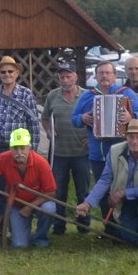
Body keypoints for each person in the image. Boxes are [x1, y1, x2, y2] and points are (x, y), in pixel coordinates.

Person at [76, 119, 138, 249]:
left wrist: (123, 192)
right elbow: (105, 179)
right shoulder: (114, 151)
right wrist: (87, 203)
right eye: (131, 137)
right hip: (124, 200)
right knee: (127, 236)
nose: (134, 141)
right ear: (126, 137)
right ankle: (134, 236)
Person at [0, 128, 58, 249]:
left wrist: (30, 207)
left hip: (39, 203)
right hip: (17, 205)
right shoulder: (4, 158)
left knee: (49, 208)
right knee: (19, 245)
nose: (19, 152)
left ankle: (41, 238)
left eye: (22, 148)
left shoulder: (41, 163)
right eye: (15, 148)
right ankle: (22, 235)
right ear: (10, 148)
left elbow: (51, 192)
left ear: (29, 147)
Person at [73, 61, 138, 183]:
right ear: (96, 76)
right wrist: (82, 118)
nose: (104, 76)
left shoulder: (126, 92)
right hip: (97, 153)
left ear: (114, 76)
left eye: (108, 73)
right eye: (101, 73)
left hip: (122, 151)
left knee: (122, 187)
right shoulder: (88, 95)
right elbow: (74, 119)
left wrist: (130, 117)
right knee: (102, 189)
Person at [43, 61, 90, 235]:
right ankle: (59, 226)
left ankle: (83, 225)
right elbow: (45, 118)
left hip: (82, 153)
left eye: (68, 76)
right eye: (62, 77)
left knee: (83, 191)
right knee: (58, 191)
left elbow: (96, 119)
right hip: (59, 152)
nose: (65, 80)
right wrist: (48, 130)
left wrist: (92, 138)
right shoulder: (52, 96)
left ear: (76, 77)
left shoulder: (87, 96)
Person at [0, 56, 39, 164]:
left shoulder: (26, 94)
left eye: (10, 71)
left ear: (17, 73)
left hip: (18, 148)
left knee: (16, 180)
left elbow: (34, 124)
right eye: (3, 72)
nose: (7, 74)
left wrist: (33, 150)